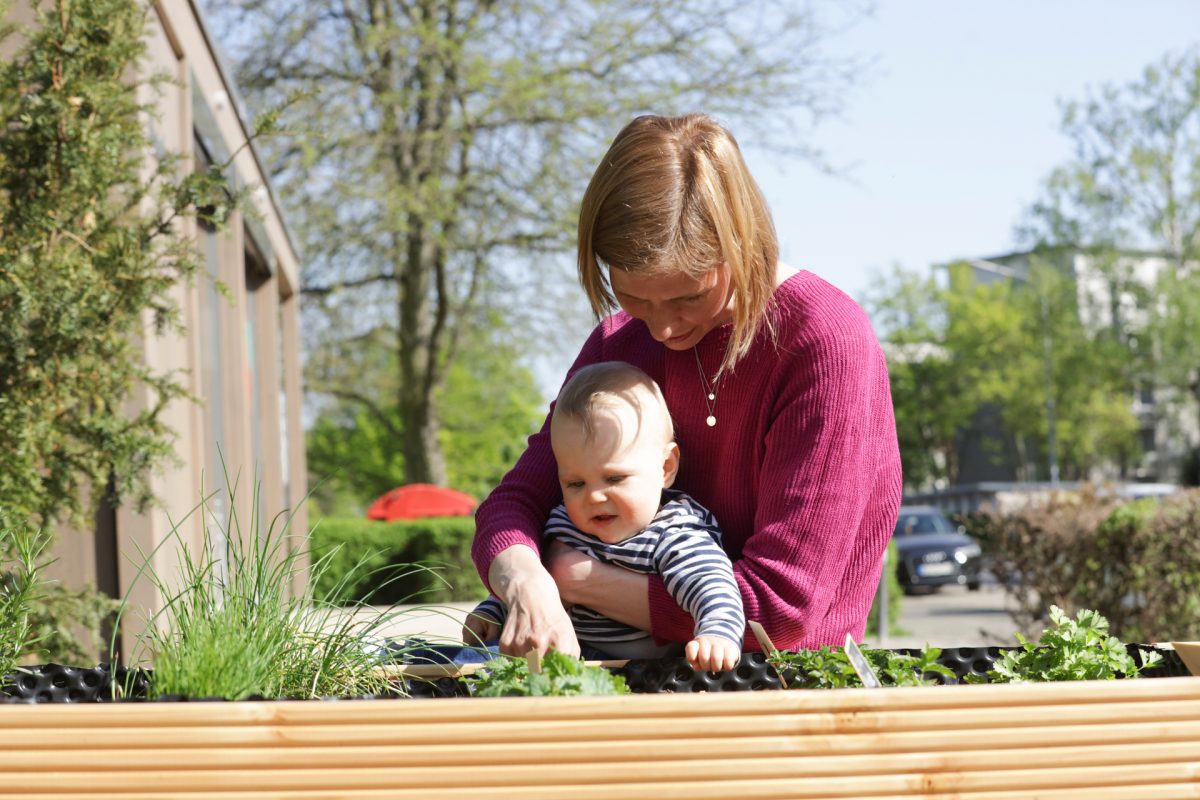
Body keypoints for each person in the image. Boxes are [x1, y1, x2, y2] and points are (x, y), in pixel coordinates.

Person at [468, 112, 902, 660]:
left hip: (782, 692)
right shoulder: (619, 342)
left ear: (742, 242)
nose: (664, 328)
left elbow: (781, 610)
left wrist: (577, 579)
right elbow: (513, 506)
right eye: (636, 298)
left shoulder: (823, 341)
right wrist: (525, 581)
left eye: (688, 297)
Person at [467, 361, 745, 673]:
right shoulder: (564, 524)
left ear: (665, 468)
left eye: (614, 479)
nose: (594, 497)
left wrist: (716, 634)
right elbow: (535, 589)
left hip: (647, 671)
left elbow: (712, 587)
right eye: (575, 484)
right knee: (473, 663)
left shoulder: (675, 532)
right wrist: (492, 611)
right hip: (571, 656)